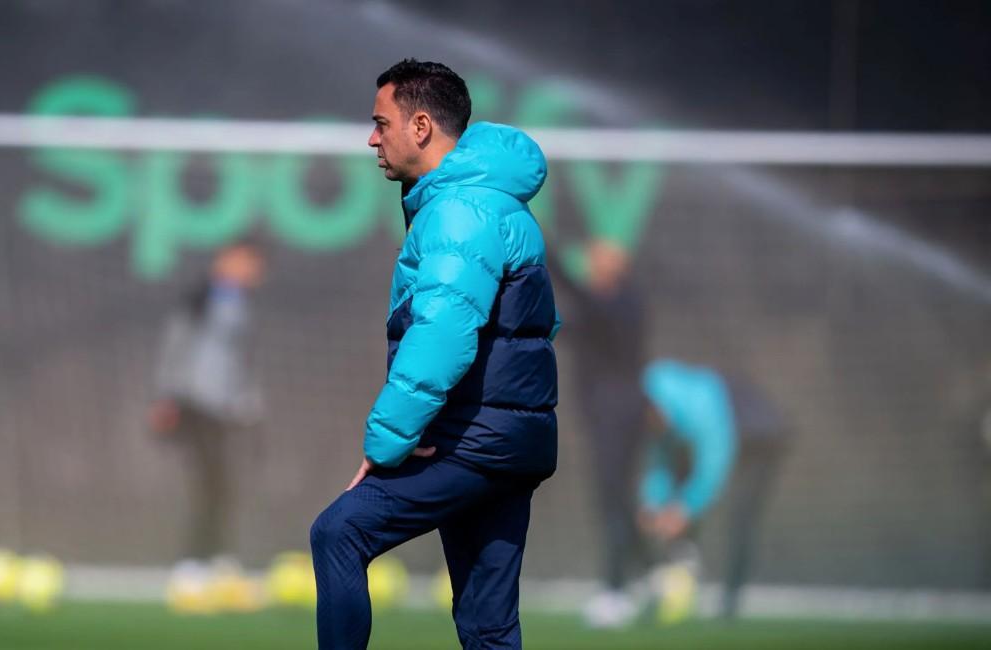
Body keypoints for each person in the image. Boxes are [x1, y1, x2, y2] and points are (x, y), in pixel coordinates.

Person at [309, 59, 560, 650]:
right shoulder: (492, 202)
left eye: (381, 123)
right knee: (487, 626)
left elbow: (442, 333)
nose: (373, 138)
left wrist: (387, 442)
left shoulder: (458, 211)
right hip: (511, 441)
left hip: (473, 441)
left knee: (338, 531)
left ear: (421, 125)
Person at [636, 358, 790, 619]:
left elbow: (714, 465)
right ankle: (677, 583)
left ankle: (730, 602)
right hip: (729, 431)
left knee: (741, 516)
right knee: (679, 503)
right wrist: (652, 505)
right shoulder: (654, 414)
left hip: (760, 434)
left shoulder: (700, 409)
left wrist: (684, 509)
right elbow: (660, 462)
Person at [551, 238, 649, 627]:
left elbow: (581, 299)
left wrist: (544, 247)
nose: (591, 268)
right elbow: (563, 322)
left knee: (612, 498)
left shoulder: (623, 305)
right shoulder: (596, 307)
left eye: (597, 263)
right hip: (603, 416)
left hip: (620, 415)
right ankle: (649, 570)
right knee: (615, 499)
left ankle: (615, 590)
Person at [150, 242, 264, 563]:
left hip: (227, 412)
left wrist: (248, 404)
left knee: (223, 486)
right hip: (196, 405)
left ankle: (217, 557)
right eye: (243, 262)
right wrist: (166, 397)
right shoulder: (200, 300)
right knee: (207, 485)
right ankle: (195, 561)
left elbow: (241, 362)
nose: (250, 271)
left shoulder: (243, 304)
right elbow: (175, 348)